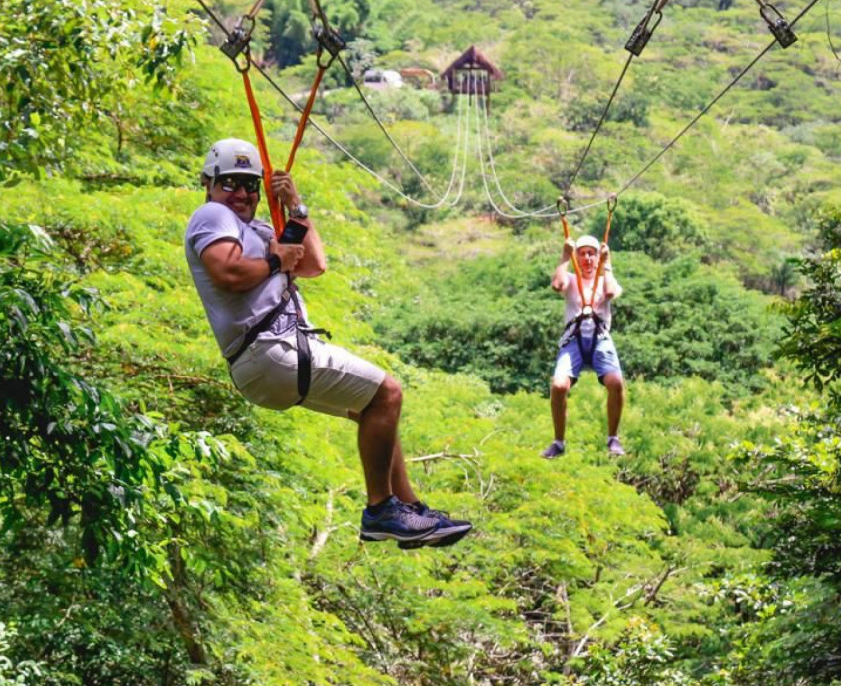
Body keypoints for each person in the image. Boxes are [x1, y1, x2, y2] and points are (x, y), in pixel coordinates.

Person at [184, 138, 471, 548]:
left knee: (374, 410)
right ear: (209, 183)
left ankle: (407, 508)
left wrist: (296, 206)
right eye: (230, 182)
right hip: (271, 350)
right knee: (387, 393)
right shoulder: (212, 215)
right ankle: (381, 510)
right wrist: (274, 261)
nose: (242, 194)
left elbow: (315, 264)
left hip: (268, 360)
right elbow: (228, 272)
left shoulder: (261, 230)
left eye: (250, 184)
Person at [542, 234, 627, 458]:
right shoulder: (570, 279)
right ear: (577, 258)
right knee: (559, 386)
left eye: (592, 254)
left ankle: (613, 438)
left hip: (600, 338)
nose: (587, 258)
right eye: (582, 254)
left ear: (597, 258)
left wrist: (607, 264)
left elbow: (609, 293)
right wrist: (564, 256)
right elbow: (557, 284)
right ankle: (558, 442)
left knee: (616, 382)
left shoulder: (605, 280)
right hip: (574, 339)